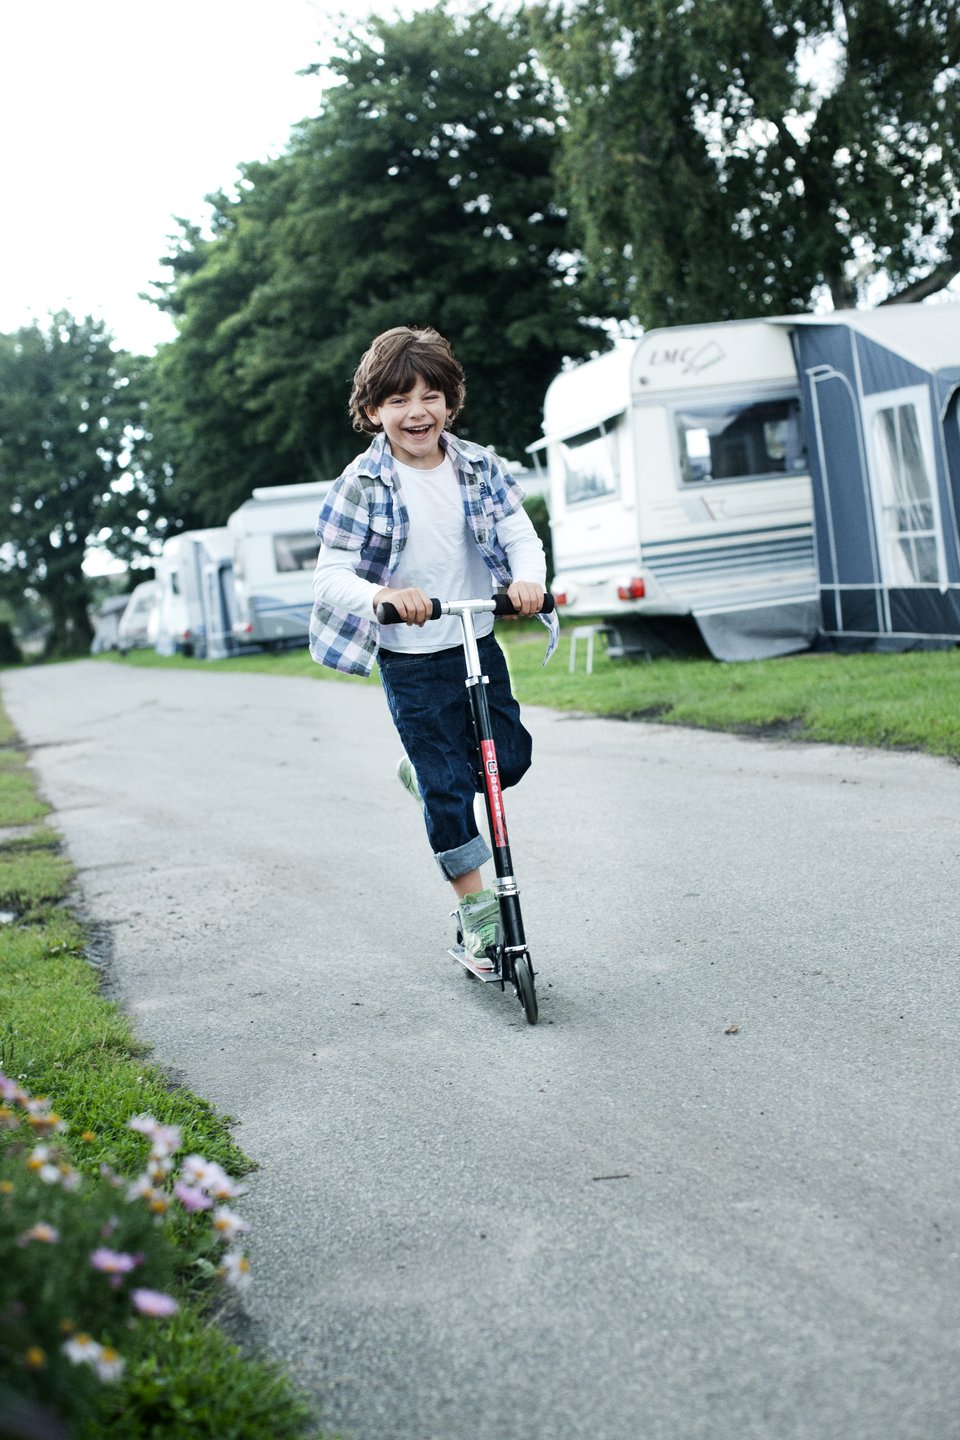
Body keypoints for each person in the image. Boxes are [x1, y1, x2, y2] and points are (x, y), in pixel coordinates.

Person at [310, 325, 556, 966]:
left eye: (430, 396)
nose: (416, 412)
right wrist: (383, 596)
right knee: (450, 786)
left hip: (476, 637)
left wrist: (530, 581)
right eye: (398, 400)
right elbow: (330, 575)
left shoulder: (479, 466)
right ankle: (476, 916)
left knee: (511, 760)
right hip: (411, 659)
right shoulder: (361, 484)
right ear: (372, 412)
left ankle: (422, 774)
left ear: (451, 401)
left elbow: (521, 537)